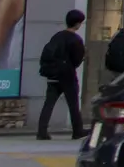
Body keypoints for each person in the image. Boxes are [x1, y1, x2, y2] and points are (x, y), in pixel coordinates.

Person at [37, 11, 87, 140]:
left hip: (53, 75)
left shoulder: (57, 36)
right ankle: (77, 131)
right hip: (68, 76)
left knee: (49, 103)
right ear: (77, 23)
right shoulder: (76, 39)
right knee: (73, 104)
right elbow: (77, 60)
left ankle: (42, 131)